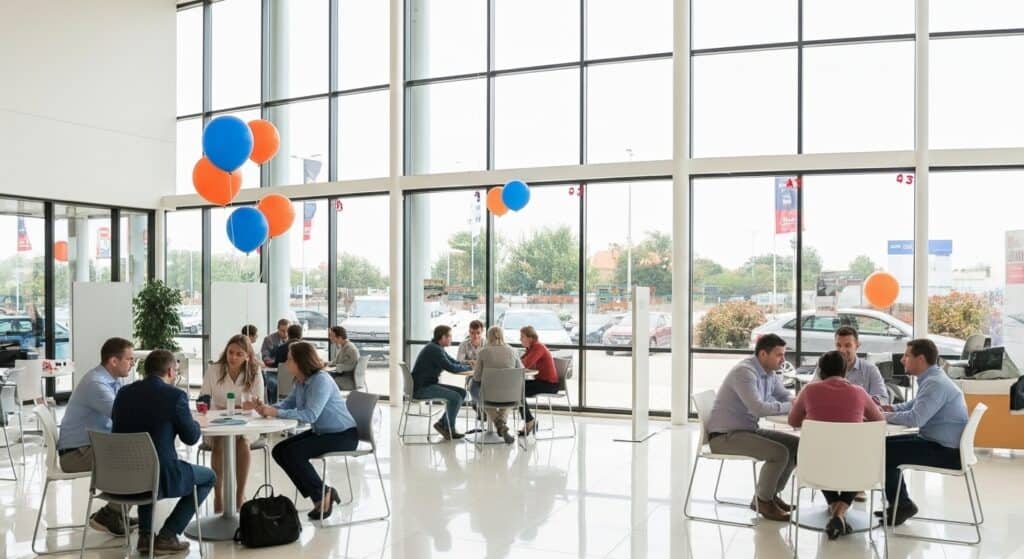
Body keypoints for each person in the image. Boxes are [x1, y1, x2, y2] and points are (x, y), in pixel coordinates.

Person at [112, 349, 215, 555]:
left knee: (145, 467)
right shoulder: (175, 396)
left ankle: (146, 536)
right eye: (175, 371)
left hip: (122, 476)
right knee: (209, 477)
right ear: (170, 371)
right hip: (159, 476)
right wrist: (195, 421)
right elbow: (191, 437)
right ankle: (168, 535)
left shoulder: (123, 393)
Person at [253, 341, 358, 520]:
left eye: (290, 359)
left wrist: (276, 412)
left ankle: (321, 495)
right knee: (279, 451)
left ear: (301, 361)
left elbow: (310, 415)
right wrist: (267, 408)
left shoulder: (321, 380)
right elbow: (287, 403)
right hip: (323, 432)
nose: (286, 363)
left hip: (343, 434)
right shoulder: (301, 381)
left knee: (294, 452)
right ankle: (321, 494)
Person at [789, 350, 884, 539]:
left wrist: (813, 420)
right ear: (844, 371)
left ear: (821, 371)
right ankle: (840, 512)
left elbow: (793, 421)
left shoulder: (809, 391)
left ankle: (835, 509)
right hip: (856, 469)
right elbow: (879, 421)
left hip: (815, 468)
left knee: (819, 454)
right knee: (856, 458)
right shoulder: (858, 392)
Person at [704, 333, 798, 522]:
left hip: (746, 431)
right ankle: (763, 501)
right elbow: (759, 408)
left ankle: (769, 495)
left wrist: (793, 402)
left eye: (783, 355)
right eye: (779, 355)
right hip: (725, 437)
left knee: (796, 446)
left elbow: (784, 395)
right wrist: (792, 406)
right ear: (763, 354)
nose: (783, 360)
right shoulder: (745, 373)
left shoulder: (770, 373)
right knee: (779, 453)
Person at [877, 339, 968, 527]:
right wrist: (890, 409)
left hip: (946, 452)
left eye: (906, 356)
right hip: (937, 442)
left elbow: (915, 418)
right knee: (880, 446)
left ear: (920, 359)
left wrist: (881, 416)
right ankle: (900, 504)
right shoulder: (932, 378)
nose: (902, 360)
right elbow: (913, 405)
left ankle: (902, 505)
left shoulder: (935, 383)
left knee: (883, 452)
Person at [56, 337, 136, 536]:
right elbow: (123, 416)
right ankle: (111, 513)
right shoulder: (96, 384)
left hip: (89, 446)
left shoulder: (111, 380)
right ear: (113, 361)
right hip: (76, 454)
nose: (132, 363)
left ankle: (117, 513)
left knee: (140, 454)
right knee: (139, 459)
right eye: (129, 359)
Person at [199, 334, 264, 513]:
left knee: (242, 441)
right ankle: (218, 497)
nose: (233, 357)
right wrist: (237, 406)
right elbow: (204, 398)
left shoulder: (255, 371)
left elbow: (258, 403)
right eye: (230, 352)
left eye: (238, 354)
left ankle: (239, 496)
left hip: (246, 425)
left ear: (247, 356)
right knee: (220, 440)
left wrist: (242, 406)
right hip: (217, 424)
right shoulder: (214, 370)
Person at [411, 325, 472, 440]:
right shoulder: (434, 350)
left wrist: (468, 365)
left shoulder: (437, 347)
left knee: (462, 393)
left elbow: (453, 362)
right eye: (450, 336)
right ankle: (449, 428)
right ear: (443, 337)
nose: (451, 339)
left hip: (428, 384)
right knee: (455, 397)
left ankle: (443, 424)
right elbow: (452, 368)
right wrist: (469, 368)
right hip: (422, 388)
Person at [469, 326, 523, 444]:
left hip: (489, 395)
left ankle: (498, 424)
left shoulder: (483, 352)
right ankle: (501, 423)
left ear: (488, 337)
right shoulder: (513, 351)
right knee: (508, 396)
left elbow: (477, 377)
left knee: (477, 392)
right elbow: (521, 371)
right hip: (510, 396)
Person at [812, 326, 889, 404]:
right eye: (838, 345)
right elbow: (812, 393)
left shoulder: (870, 370)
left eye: (847, 345)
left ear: (857, 346)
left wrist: (859, 402)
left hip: (860, 415)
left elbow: (882, 399)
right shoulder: (824, 367)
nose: (842, 350)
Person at [518, 326, 559, 437]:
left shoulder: (538, 347)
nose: (520, 339)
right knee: (516, 389)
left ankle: (529, 421)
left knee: (516, 390)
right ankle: (529, 421)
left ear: (530, 337)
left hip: (549, 385)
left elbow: (524, 364)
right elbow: (519, 362)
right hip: (542, 382)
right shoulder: (531, 348)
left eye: (522, 337)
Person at [268, 323, 302, 404]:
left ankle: (272, 403)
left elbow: (277, 365)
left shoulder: (281, 348)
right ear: (301, 335)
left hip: (282, 388)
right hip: (300, 386)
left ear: (288, 335)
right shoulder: (305, 349)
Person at [328, 326, 360, 390]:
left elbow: (351, 366)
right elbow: (337, 361)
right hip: (343, 376)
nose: (330, 337)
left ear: (339, 337)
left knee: (325, 380)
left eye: (332, 336)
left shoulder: (350, 349)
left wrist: (335, 367)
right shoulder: (344, 346)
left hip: (347, 380)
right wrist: (327, 363)